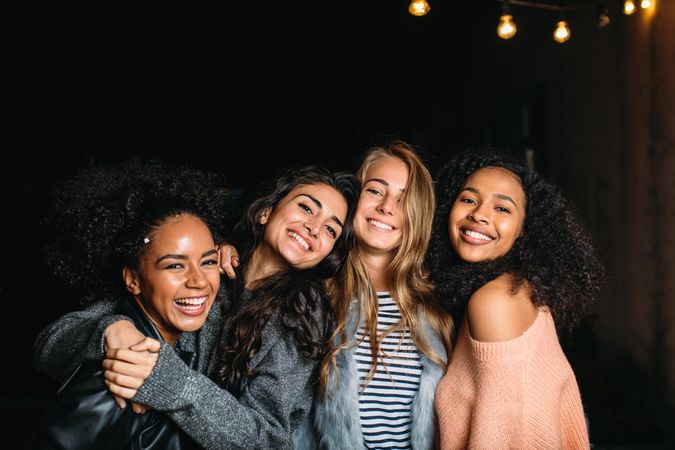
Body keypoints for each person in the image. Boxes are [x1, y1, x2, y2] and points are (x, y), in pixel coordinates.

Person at [33, 164, 360, 449]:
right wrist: (110, 331)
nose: (314, 227)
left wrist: (172, 384)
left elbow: (268, 439)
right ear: (265, 212)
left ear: (328, 250)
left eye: (331, 228)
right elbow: (51, 342)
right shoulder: (204, 264)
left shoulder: (302, 314)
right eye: (306, 208)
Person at [30, 158, 235, 449]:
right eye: (175, 266)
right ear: (133, 280)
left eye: (208, 261)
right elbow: (50, 342)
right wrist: (110, 328)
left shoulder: (181, 341)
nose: (199, 281)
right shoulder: (117, 380)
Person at [427, 149, 605, 449]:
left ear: (524, 231)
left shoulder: (494, 302)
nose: (480, 214)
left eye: (503, 209)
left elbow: (504, 438)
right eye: (469, 199)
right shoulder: (517, 288)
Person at [293, 140, 454, 449]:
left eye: (402, 199)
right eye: (375, 190)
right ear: (354, 199)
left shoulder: (438, 307)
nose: (386, 207)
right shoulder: (314, 298)